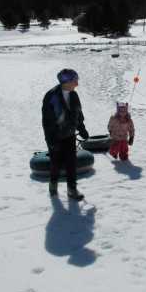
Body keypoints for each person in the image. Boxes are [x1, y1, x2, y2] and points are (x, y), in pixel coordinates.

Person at [42, 69, 89, 200]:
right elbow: (47, 122)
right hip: (55, 137)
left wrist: (82, 128)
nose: (77, 84)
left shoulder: (74, 95)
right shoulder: (51, 97)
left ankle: (71, 189)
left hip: (69, 135)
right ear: (67, 81)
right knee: (55, 163)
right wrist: (51, 141)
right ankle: (53, 185)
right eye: (75, 80)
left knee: (71, 163)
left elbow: (78, 114)